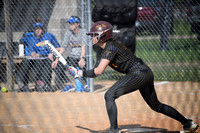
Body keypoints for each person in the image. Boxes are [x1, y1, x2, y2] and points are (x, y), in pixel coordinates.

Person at [70, 21, 199, 133]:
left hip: (138, 73)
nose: (92, 37)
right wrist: (80, 71)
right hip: (144, 72)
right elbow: (96, 71)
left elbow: (98, 71)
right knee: (156, 106)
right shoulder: (106, 50)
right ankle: (188, 124)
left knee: (109, 95)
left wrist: (81, 73)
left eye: (94, 35)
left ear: (102, 35)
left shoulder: (110, 47)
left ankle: (114, 130)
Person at [19, 22, 61, 92]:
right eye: (36, 29)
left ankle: (46, 85)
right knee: (25, 63)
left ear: (42, 29)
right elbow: (32, 52)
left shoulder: (49, 36)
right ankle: (25, 86)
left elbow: (58, 47)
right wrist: (34, 55)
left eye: (39, 29)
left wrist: (51, 53)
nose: (37, 30)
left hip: (47, 57)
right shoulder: (31, 39)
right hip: (37, 58)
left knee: (46, 63)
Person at [52, 16, 87, 90]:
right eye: (69, 23)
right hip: (73, 57)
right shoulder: (68, 33)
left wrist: (82, 59)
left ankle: (83, 85)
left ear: (78, 24)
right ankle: (68, 84)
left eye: (72, 23)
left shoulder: (83, 32)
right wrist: (56, 60)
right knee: (57, 66)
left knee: (81, 68)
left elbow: (83, 47)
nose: (70, 25)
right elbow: (63, 48)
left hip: (83, 57)